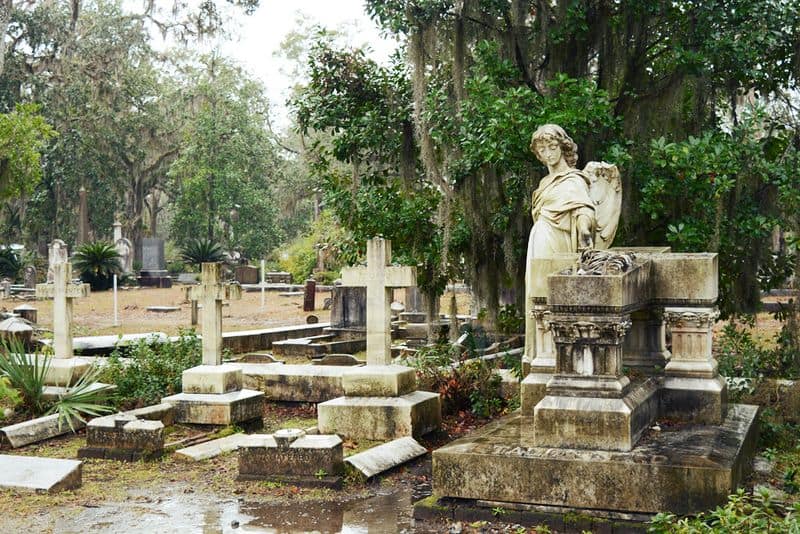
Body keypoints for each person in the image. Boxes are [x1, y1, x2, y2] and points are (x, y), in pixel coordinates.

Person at [524, 124, 596, 365]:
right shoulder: (545, 183)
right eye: (542, 150)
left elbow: (584, 209)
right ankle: (541, 352)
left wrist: (584, 231)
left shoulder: (574, 179)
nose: (548, 154)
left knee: (556, 291)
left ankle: (561, 351)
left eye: (552, 147)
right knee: (538, 292)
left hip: (560, 242)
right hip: (539, 241)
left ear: (563, 148)